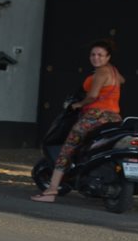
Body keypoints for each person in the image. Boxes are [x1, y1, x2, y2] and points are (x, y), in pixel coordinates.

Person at [32, 38, 125, 202]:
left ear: (108, 57)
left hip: (95, 116)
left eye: (100, 55)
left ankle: (52, 190)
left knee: (68, 148)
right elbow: (121, 81)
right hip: (113, 118)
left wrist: (78, 105)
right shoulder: (114, 72)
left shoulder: (101, 72)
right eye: (93, 54)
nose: (96, 58)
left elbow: (92, 96)